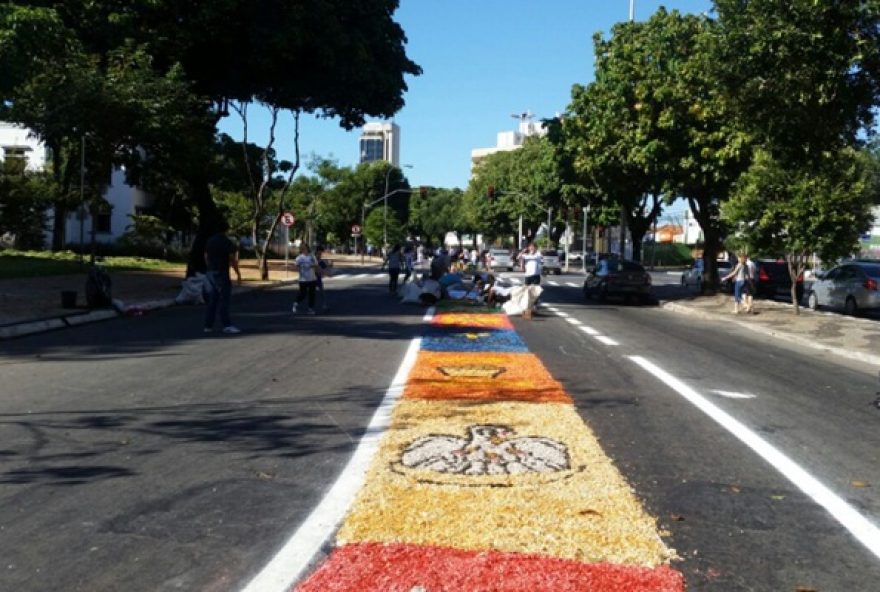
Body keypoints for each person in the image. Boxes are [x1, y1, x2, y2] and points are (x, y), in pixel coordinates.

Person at [203, 220, 242, 334]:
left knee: (212, 300)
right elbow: (232, 259)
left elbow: (205, 256)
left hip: (210, 274)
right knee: (224, 300)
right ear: (226, 229)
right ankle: (227, 324)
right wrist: (238, 273)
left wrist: (209, 266)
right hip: (222, 273)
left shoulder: (209, 241)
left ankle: (208, 326)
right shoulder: (226, 242)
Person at [293, 244, 319, 314]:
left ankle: (310, 309)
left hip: (312, 278)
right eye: (303, 249)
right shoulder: (299, 258)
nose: (305, 250)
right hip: (303, 279)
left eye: (306, 248)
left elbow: (316, 265)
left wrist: (313, 266)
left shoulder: (312, 257)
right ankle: (296, 303)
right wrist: (301, 269)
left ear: (308, 249)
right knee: (303, 294)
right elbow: (296, 267)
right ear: (301, 250)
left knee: (312, 294)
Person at [315, 245, 332, 312]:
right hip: (311, 278)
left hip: (318, 278)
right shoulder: (313, 258)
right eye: (320, 252)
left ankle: (324, 305)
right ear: (317, 251)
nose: (321, 254)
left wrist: (329, 266)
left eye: (321, 253)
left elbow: (326, 269)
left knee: (322, 292)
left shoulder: (320, 260)